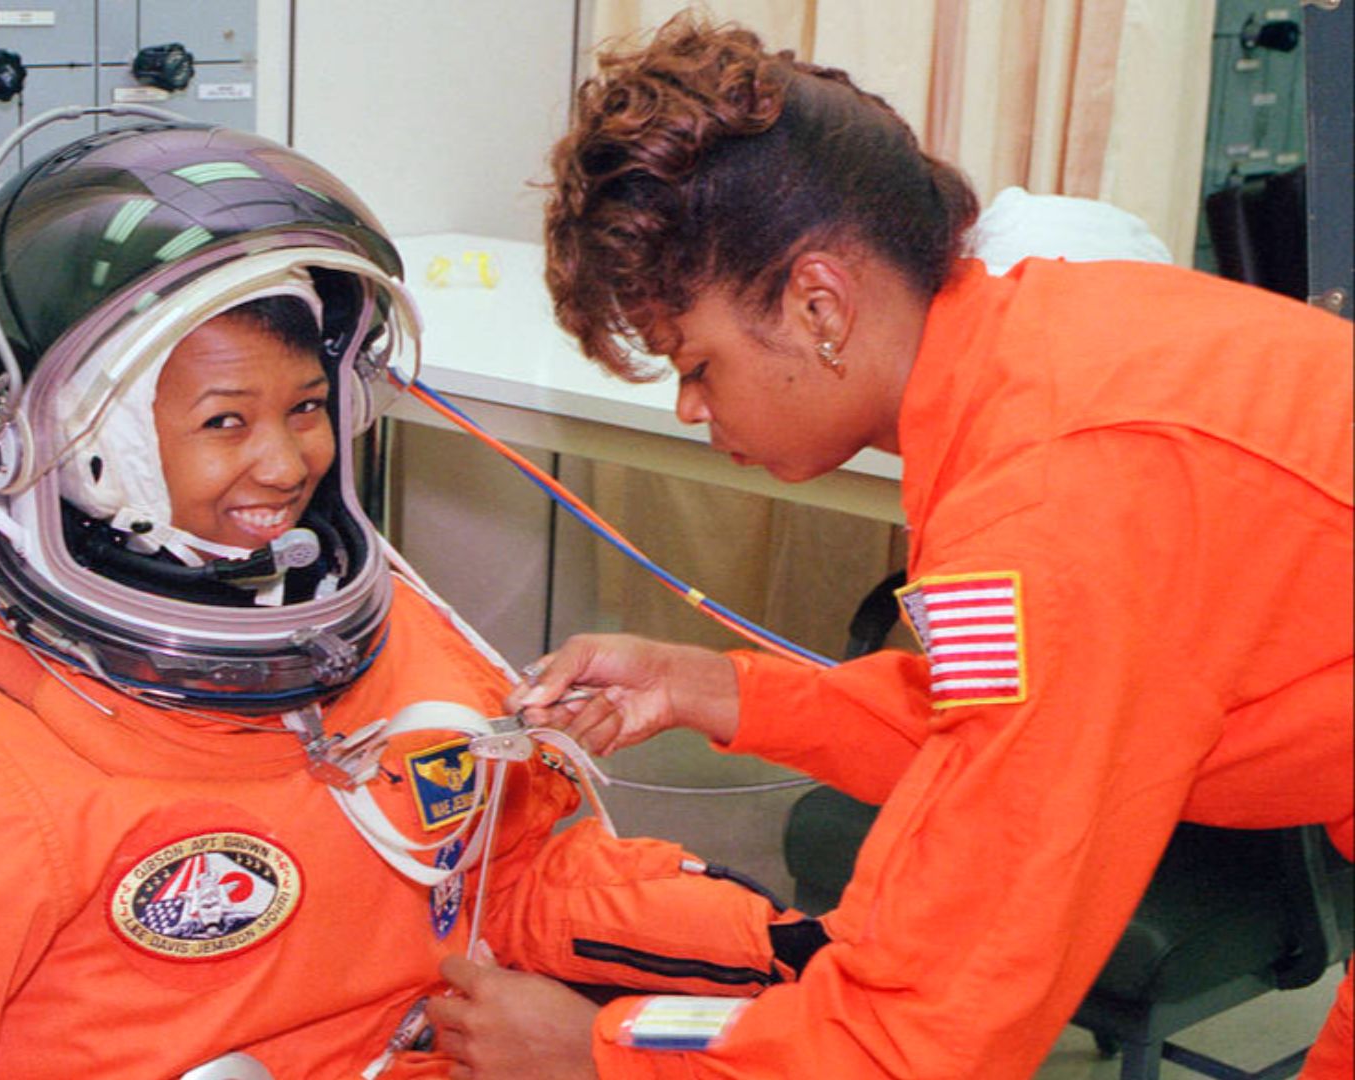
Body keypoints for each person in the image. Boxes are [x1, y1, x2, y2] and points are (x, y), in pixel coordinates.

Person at [0, 119, 817, 1079]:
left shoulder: (403, 637)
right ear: (83, 445)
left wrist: (790, 945)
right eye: (223, 421)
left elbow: (523, 878)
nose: (284, 460)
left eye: (307, 406)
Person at [425, 14, 1353, 1080]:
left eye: (696, 362)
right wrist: (710, 688)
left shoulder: (1050, 503)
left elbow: (927, 1036)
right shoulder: (1036, 348)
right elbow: (994, 742)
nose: (690, 409)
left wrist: (595, 1056)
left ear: (820, 304)